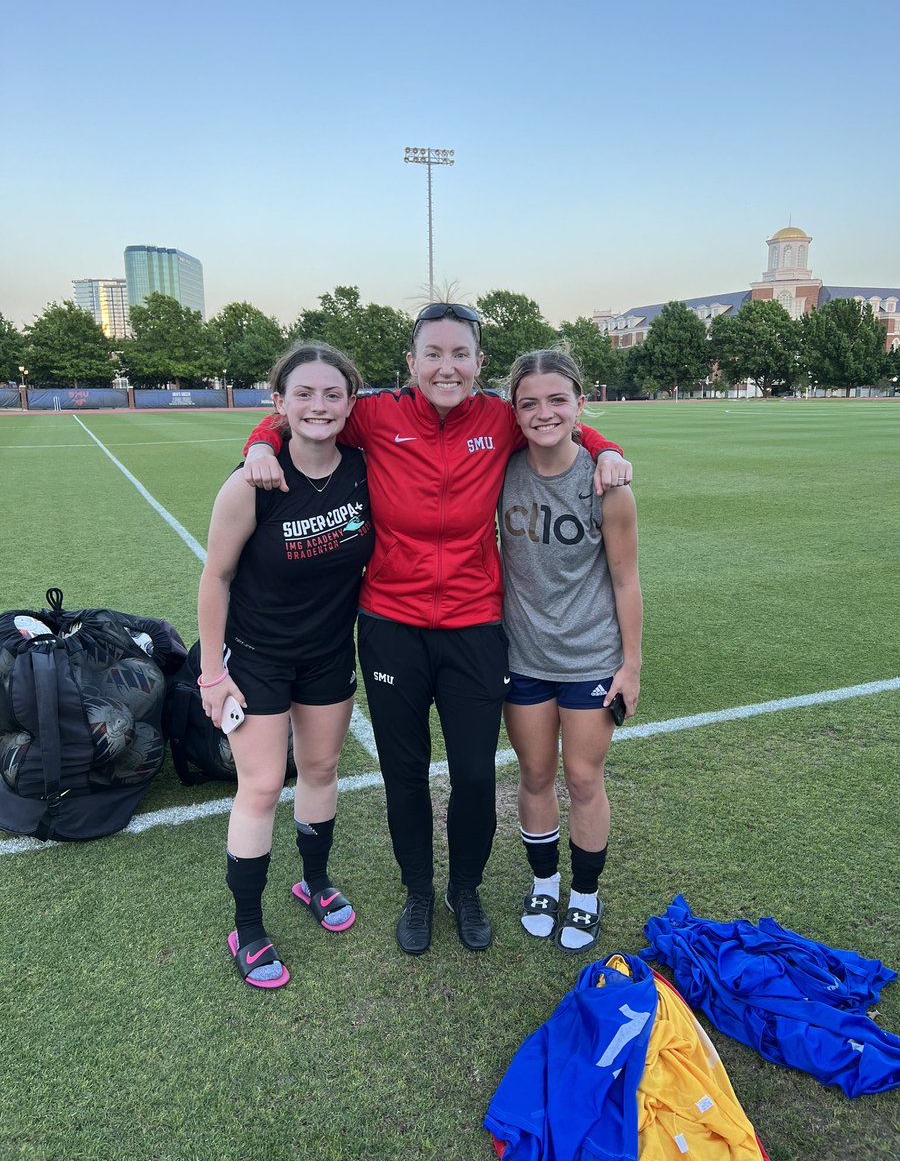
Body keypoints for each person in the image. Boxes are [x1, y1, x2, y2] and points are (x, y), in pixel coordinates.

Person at [241, 304, 633, 955]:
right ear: (412, 362)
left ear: (480, 363)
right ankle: (419, 891)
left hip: (476, 625)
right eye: (434, 353)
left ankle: (466, 889)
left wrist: (607, 447)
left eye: (461, 354)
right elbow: (304, 414)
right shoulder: (375, 414)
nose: (447, 366)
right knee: (405, 771)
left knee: (477, 774)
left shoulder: (498, 418)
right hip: (392, 623)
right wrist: (258, 441)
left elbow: (557, 420)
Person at [197, 342, 374, 989]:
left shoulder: (363, 466)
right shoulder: (252, 483)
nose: (319, 406)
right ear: (279, 404)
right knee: (264, 786)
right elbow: (214, 579)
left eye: (333, 394)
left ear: (350, 404)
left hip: (328, 653)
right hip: (258, 660)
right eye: (304, 394)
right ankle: (246, 925)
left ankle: (315, 881)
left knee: (323, 769)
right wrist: (213, 675)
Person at [498, 349, 642, 955]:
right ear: (515, 411)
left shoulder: (606, 484)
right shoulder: (501, 471)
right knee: (534, 774)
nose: (543, 412)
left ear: (581, 405)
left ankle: (584, 893)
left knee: (582, 777)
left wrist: (630, 666)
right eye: (529, 402)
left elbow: (626, 579)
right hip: (522, 657)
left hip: (590, 658)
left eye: (557, 399)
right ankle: (544, 883)